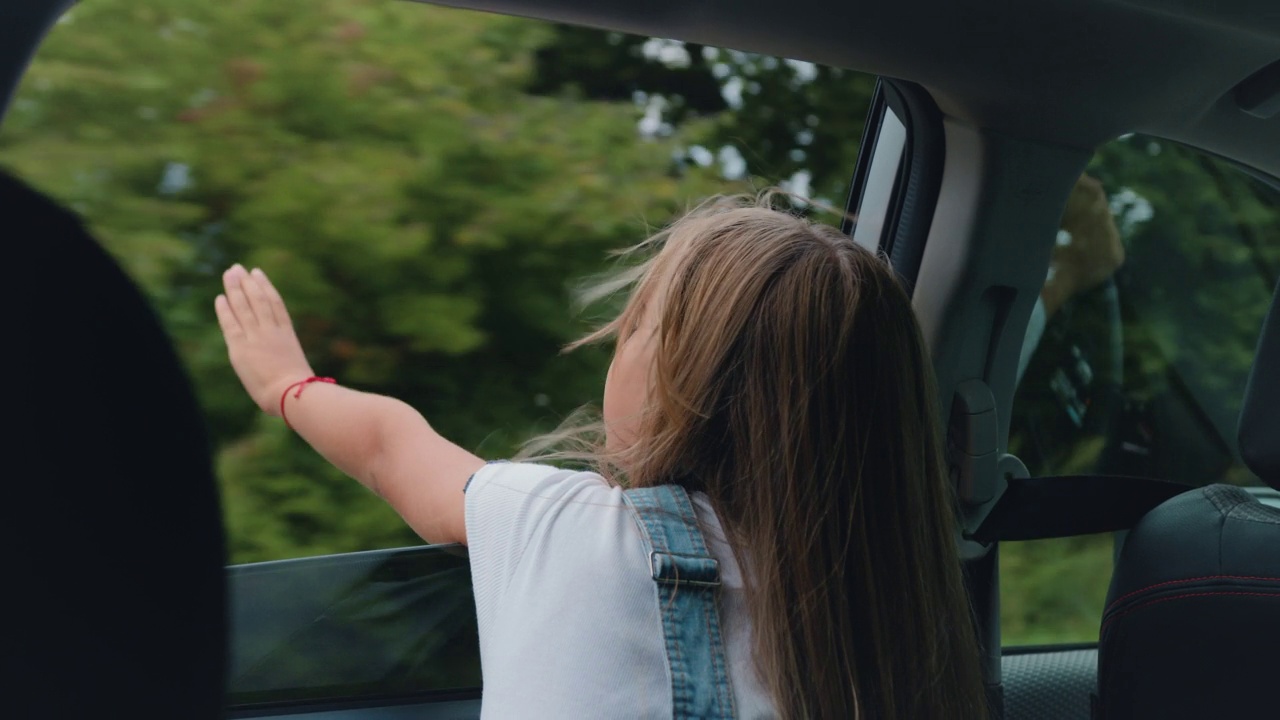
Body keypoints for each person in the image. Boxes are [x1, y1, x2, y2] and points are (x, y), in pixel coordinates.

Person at [216, 194, 988, 719]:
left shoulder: (565, 527)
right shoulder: (897, 615)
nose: (615, 338)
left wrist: (289, 383)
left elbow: (392, 448)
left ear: (684, 384)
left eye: (637, 323)